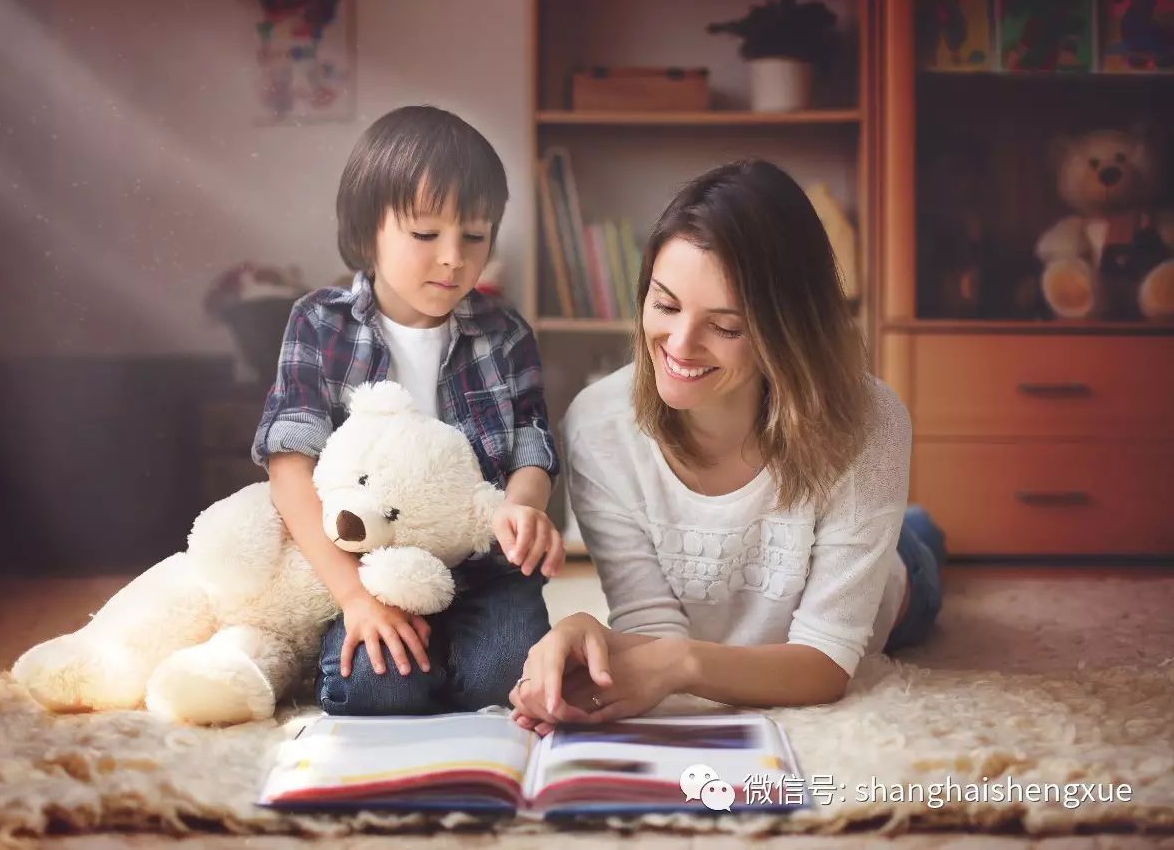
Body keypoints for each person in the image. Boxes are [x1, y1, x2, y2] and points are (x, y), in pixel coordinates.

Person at [509, 159, 944, 735]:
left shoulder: (870, 422)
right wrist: (589, 632)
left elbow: (827, 662)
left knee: (916, 548)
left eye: (727, 326)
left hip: (896, 588)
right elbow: (654, 630)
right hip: (742, 612)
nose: (680, 345)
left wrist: (682, 664)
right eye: (665, 306)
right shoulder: (598, 424)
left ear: (787, 331)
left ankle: (914, 531)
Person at [252, 105, 563, 715]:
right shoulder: (320, 323)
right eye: (426, 235)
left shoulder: (504, 333)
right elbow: (289, 468)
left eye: (475, 236)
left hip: (485, 567)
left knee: (504, 679)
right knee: (375, 686)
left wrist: (522, 511)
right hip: (375, 570)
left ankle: (451, 655)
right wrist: (354, 597)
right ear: (368, 231)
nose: (453, 258)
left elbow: (533, 446)